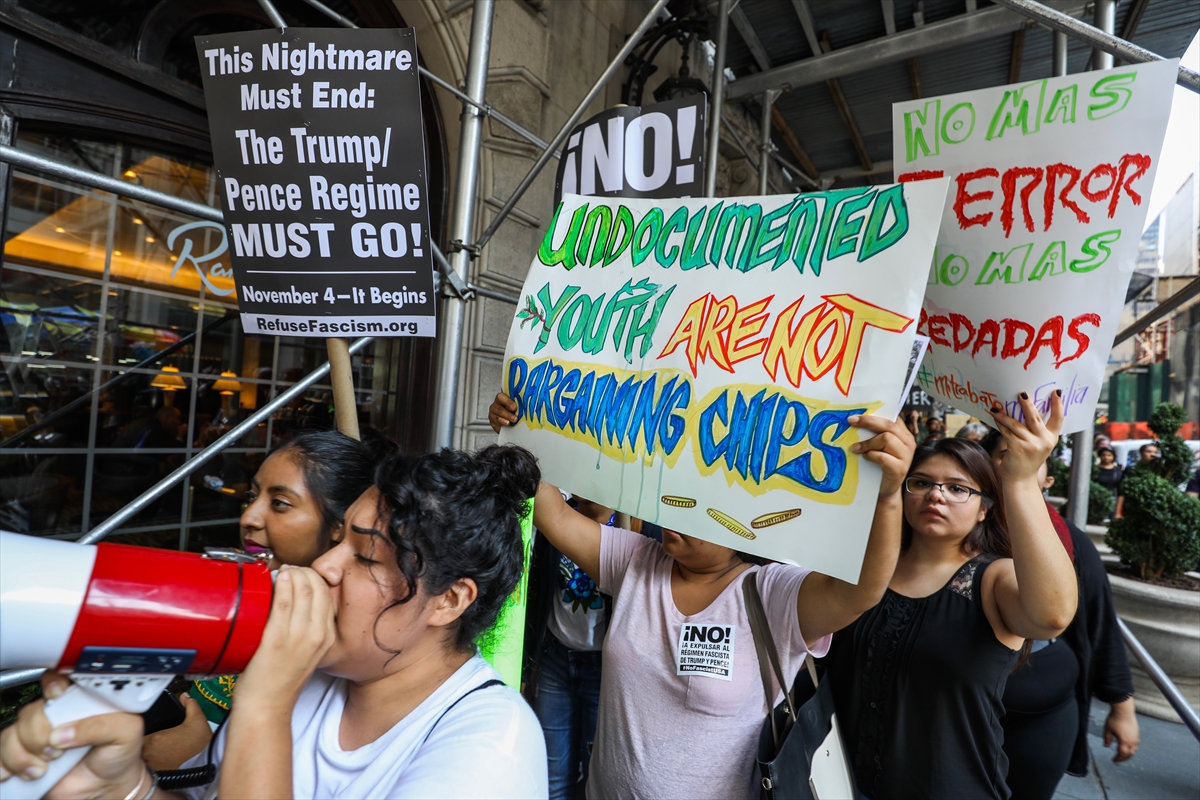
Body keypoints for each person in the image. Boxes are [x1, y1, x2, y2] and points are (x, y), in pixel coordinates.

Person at [0, 445, 549, 799]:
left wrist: (264, 704)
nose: (325, 567)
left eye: (365, 557)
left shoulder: (492, 744)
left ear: (449, 600)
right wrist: (127, 789)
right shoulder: (313, 677)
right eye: (337, 541)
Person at [490, 391, 917, 798]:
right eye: (677, 497)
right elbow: (555, 515)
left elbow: (860, 591)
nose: (676, 512)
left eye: (698, 505)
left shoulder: (772, 595)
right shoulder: (636, 560)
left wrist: (887, 497)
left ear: (743, 522)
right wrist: (520, 432)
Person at [821, 392, 1078, 799]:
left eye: (958, 488)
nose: (936, 495)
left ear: (984, 508)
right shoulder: (862, 567)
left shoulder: (993, 578)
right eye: (921, 483)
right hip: (837, 786)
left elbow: (1052, 616)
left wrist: (1020, 480)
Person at [141, 429, 390, 773]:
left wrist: (205, 757)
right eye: (252, 496)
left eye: (280, 504)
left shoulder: (344, 646)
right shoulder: (245, 594)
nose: (249, 518)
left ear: (339, 525)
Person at [981, 433, 1138, 800]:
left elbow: (1099, 622)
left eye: (1034, 458)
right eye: (1006, 454)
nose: (1019, 463)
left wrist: (1122, 706)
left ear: (1048, 479)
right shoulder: (947, 529)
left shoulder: (1070, 540)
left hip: (1044, 709)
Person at [521, 493, 614, 800]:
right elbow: (536, 591)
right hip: (555, 659)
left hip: (604, 673)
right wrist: (526, 666)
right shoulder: (556, 518)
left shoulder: (632, 529)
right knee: (553, 775)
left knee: (596, 775)